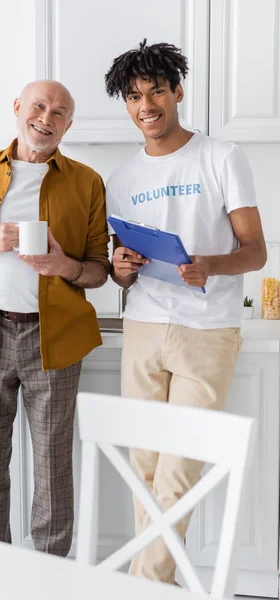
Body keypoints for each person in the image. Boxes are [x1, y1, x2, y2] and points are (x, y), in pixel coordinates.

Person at [104, 40, 266, 584]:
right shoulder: (121, 180)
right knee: (144, 467)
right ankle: (159, 584)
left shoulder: (222, 157)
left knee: (179, 467)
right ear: (126, 106)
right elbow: (120, 270)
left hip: (207, 329)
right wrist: (121, 265)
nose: (146, 104)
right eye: (133, 96)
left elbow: (256, 250)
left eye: (155, 91)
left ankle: (140, 585)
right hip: (144, 325)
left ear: (177, 92)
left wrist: (210, 266)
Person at [0, 80, 110, 556]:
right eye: (39, 106)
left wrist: (64, 266)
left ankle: (49, 577)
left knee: (53, 467)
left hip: (55, 340)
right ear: (18, 108)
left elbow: (99, 271)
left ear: (68, 125)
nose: (46, 119)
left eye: (59, 113)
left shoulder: (87, 181)